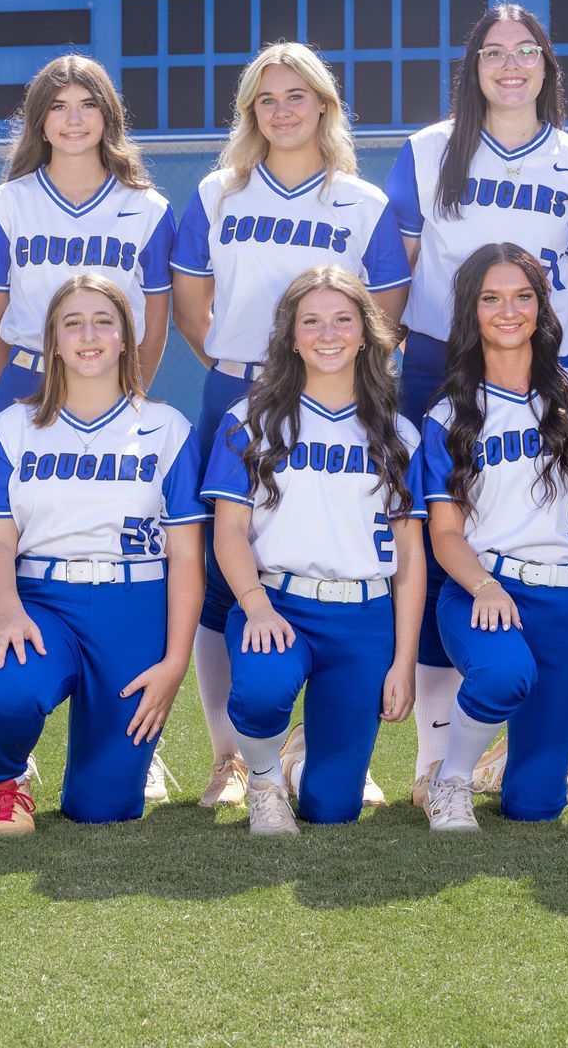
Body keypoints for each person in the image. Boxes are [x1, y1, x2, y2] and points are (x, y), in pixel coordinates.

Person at [170, 41, 410, 810]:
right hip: (239, 391)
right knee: (224, 579)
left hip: (340, 399)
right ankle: (230, 756)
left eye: (296, 96)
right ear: (250, 112)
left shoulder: (362, 203)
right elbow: (191, 305)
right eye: (266, 99)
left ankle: (332, 740)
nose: (281, 111)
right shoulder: (217, 193)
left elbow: (385, 315)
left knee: (338, 547)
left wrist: (327, 374)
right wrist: (248, 369)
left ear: (324, 106)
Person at [384, 3, 568, 790]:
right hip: (437, 361)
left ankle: (514, 743)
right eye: (493, 52)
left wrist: (544, 352)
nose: (510, 66)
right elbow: (399, 266)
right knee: (440, 547)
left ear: (547, 65)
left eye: (526, 51)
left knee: (532, 520)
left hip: (535, 366)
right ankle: (435, 758)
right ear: (472, 68)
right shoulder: (428, 149)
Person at [0, 274, 206, 834]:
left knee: (103, 809)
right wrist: (8, 611)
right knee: (5, 693)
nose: (89, 335)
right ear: (52, 341)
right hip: (40, 602)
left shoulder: (168, 428)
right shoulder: (11, 428)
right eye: (72, 323)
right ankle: (5, 781)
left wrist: (175, 663)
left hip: (133, 606)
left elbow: (186, 558)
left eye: (104, 322)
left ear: (126, 337)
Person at [203, 266, 424, 834]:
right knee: (262, 691)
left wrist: (403, 661)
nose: (328, 334)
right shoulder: (250, 420)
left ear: (365, 334)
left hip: (363, 617)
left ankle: (297, 763)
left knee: (333, 810)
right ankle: (264, 780)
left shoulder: (399, 432)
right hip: (278, 603)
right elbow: (228, 531)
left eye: (343, 320)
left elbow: (409, 556)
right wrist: (255, 607)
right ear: (291, 336)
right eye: (312, 322)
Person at [418, 244, 568, 831]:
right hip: (483, 589)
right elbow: (445, 532)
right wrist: (485, 586)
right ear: (471, 311)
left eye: (523, 296)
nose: (509, 311)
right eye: (492, 298)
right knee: (503, 673)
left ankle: (499, 764)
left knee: (535, 806)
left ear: (542, 305)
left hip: (567, 597)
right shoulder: (451, 414)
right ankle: (451, 779)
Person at [0, 55, 173, 415]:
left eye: (88, 105)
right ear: (40, 121)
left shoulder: (148, 209)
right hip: (28, 379)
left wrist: (131, 389)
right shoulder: (3, 206)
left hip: (112, 381)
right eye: (58, 106)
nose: (74, 119)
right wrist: (20, 382)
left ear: (108, 116)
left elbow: (154, 323)